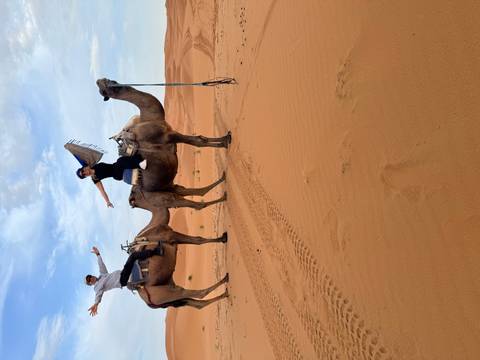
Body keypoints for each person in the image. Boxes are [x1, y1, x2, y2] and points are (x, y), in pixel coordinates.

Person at [85, 245, 162, 316]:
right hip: (122, 279)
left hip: (122, 273)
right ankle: (156, 251)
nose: (91, 278)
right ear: (91, 284)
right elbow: (98, 295)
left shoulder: (102, 274)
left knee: (133, 256)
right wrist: (96, 304)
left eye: (90, 277)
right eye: (89, 280)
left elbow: (101, 264)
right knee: (133, 256)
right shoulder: (97, 288)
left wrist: (98, 254)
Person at [76, 154, 147, 208]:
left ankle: (139, 161)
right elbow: (102, 191)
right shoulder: (95, 178)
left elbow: (84, 158)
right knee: (120, 160)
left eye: (83, 171)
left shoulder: (93, 165)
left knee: (123, 159)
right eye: (84, 175)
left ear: (84, 168)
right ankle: (140, 164)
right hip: (116, 174)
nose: (85, 173)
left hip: (115, 166)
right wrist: (107, 201)